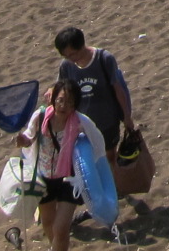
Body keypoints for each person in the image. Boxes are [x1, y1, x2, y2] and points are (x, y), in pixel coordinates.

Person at [16, 78, 107, 251]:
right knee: (49, 223)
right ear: (54, 99)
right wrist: (22, 141)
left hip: (69, 179)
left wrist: (92, 168)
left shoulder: (80, 122)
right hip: (44, 177)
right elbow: (29, 138)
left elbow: (98, 142)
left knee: (61, 227)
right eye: (61, 100)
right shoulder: (41, 116)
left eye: (70, 102)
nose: (64, 106)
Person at [54, 27, 136, 161]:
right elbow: (61, 91)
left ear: (81, 46)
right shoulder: (66, 66)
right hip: (81, 124)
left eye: (72, 54)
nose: (70, 59)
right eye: (66, 56)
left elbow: (118, 89)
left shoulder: (104, 59)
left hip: (107, 121)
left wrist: (127, 116)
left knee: (108, 158)